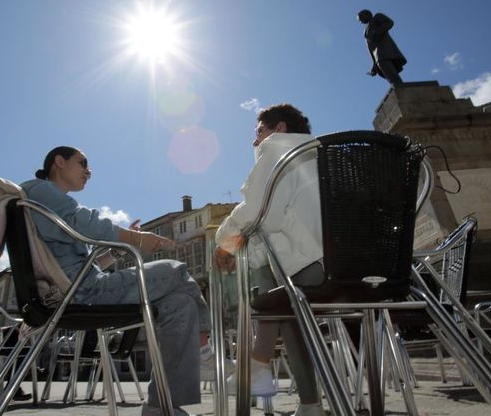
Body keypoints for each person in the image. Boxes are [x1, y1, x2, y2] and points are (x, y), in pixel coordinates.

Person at [22, 146, 229, 416]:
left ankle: (161, 406)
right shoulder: (40, 191)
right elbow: (87, 223)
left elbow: (89, 264)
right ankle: (203, 350)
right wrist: (137, 239)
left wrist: (118, 250)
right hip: (83, 293)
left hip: (81, 287)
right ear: (59, 162)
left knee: (180, 304)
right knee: (175, 269)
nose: (89, 170)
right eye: (82, 163)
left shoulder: (50, 206)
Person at [213, 103, 325, 416]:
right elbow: (283, 224)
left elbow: (257, 213)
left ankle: (258, 362)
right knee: (282, 290)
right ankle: (306, 400)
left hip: (311, 270)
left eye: (258, 131)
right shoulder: (323, 156)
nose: (254, 141)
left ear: (279, 129)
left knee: (279, 290)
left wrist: (224, 244)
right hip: (356, 268)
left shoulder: (278, 149)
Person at [358, 9, 407, 85]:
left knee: (393, 76)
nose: (360, 21)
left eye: (361, 18)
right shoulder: (365, 31)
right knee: (389, 76)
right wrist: (374, 64)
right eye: (359, 20)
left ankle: (401, 88)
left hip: (386, 51)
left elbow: (389, 23)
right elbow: (370, 48)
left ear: (367, 15)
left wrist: (376, 32)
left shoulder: (377, 17)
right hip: (378, 57)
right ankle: (398, 88)